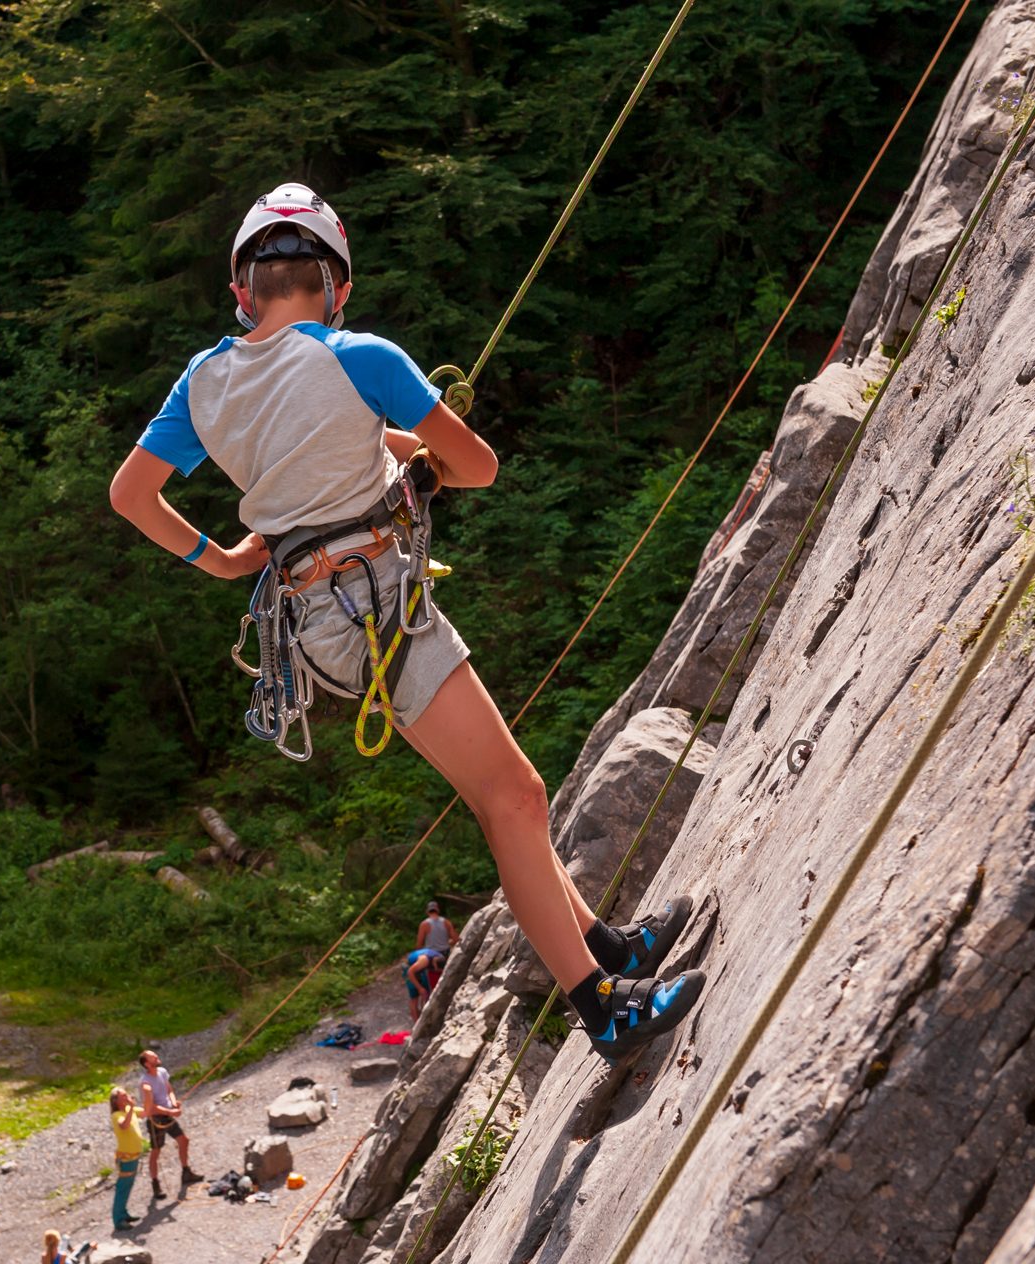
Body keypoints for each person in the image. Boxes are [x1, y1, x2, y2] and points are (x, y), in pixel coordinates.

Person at [108, 182, 706, 1063]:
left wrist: (227, 559)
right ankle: (602, 1006)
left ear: (243, 291)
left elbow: (133, 494)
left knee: (498, 795)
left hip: (322, 618)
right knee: (517, 797)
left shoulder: (205, 382)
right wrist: (421, 462)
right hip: (379, 604)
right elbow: (479, 466)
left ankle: (608, 949)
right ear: (337, 284)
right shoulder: (363, 355)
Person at [137, 1050, 202, 1200]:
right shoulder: (145, 1084)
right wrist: (170, 1111)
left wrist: (173, 1103)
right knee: (156, 1151)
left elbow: (169, 1089)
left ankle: (186, 1172)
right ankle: (155, 1184)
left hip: (168, 1115)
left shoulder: (162, 1072)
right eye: (153, 1057)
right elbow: (150, 1107)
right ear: (147, 1063)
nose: (156, 1057)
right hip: (156, 1120)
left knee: (184, 1140)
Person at [404, 899, 458, 1020]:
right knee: (432, 987)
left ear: (428, 911)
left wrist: (420, 951)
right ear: (437, 910)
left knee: (427, 989)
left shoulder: (425, 924)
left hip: (430, 956)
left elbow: (419, 944)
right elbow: (456, 939)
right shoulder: (446, 922)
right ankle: (423, 1018)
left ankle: (425, 1016)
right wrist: (446, 942)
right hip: (443, 955)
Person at [108, 1087, 146, 1231]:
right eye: (123, 1096)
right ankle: (118, 1219)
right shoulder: (117, 1115)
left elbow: (146, 1112)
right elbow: (124, 1125)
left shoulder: (131, 1111)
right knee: (122, 1187)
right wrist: (131, 1108)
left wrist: (147, 1095)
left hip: (134, 1155)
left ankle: (123, 1213)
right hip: (126, 1157)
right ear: (116, 1101)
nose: (127, 1097)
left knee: (128, 1186)